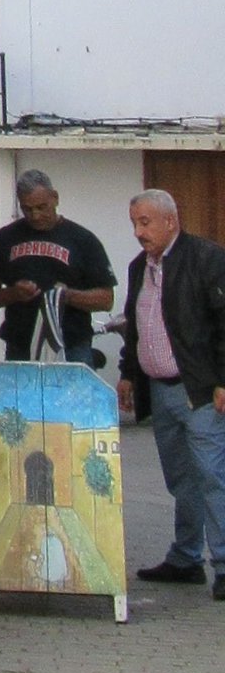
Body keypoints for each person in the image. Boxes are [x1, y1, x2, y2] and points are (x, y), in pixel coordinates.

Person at [117, 189, 225, 597]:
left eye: (145, 222)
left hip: (199, 390)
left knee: (212, 476)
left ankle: (224, 564)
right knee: (181, 479)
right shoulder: (138, 267)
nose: (138, 231)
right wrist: (129, 373)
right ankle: (185, 558)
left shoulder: (206, 259)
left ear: (170, 221)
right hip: (160, 391)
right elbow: (136, 324)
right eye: (134, 223)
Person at [0, 169, 116, 364]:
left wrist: (67, 296)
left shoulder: (83, 240)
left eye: (42, 207)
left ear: (55, 198)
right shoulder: (5, 238)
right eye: (27, 209)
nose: (35, 215)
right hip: (21, 346)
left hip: (72, 345)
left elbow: (106, 299)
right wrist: (14, 293)